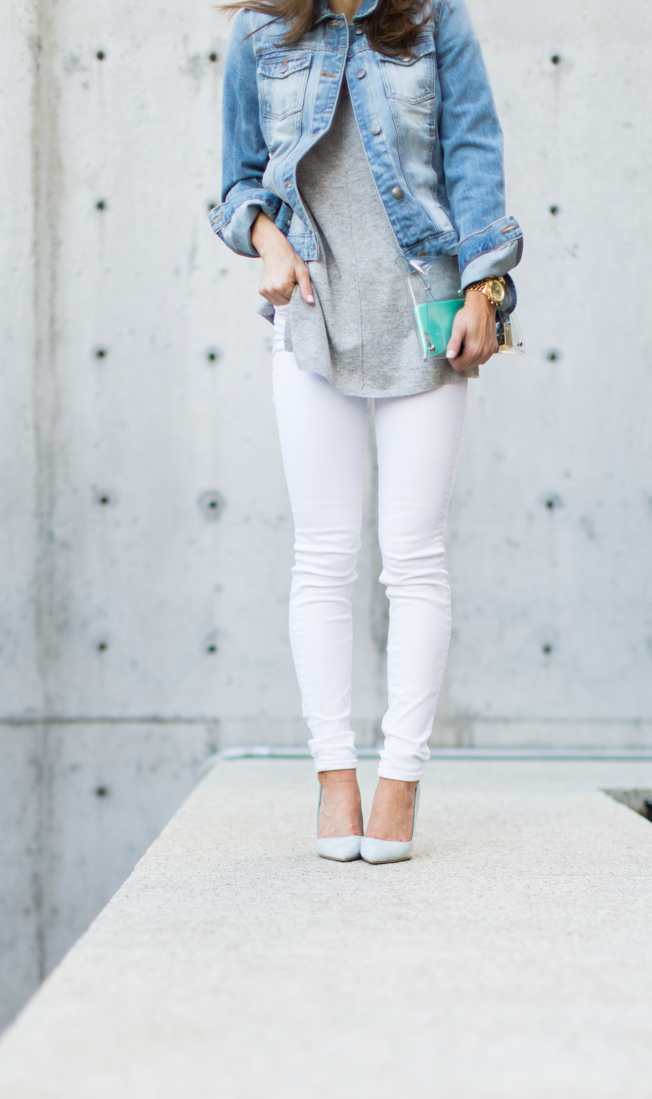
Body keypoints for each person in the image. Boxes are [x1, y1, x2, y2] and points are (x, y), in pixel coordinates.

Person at [210, 0, 521, 862]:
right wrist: (267, 239)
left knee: (414, 558)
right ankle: (334, 780)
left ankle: (400, 785)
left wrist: (486, 291)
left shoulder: (433, 18)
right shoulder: (261, 33)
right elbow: (237, 181)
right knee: (324, 556)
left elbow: (474, 157)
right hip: (312, 321)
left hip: (426, 311)